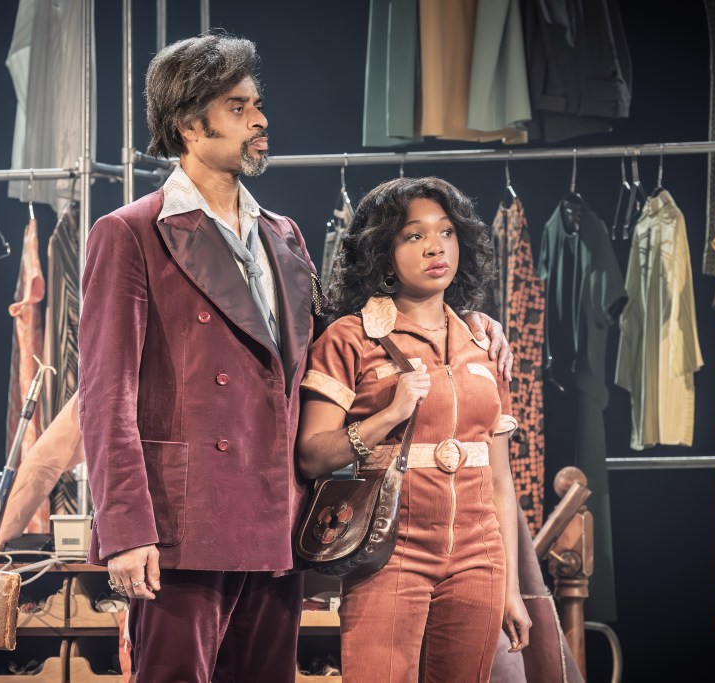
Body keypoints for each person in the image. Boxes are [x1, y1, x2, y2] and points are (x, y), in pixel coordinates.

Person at [79, 34, 513, 681]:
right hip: (182, 524)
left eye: (257, 104)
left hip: (275, 517)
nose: (260, 120)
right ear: (189, 126)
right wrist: (126, 531)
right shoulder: (131, 232)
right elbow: (105, 398)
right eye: (238, 107)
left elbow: (345, 337)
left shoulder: (282, 235)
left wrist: (462, 320)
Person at [297, 176, 531, 682]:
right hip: (389, 555)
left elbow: (500, 481)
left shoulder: (484, 342)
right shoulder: (351, 338)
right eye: (414, 235)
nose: (435, 247)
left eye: (446, 232)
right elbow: (311, 455)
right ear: (383, 254)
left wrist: (511, 588)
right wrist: (388, 414)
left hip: (480, 560)